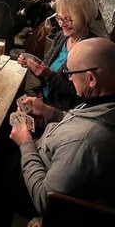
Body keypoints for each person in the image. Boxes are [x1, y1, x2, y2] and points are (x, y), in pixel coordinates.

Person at [10, 37, 115, 221]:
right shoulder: (103, 101)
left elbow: (45, 201)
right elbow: (79, 121)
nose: (68, 77)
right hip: (48, 150)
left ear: (91, 78)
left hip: (36, 189)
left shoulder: (85, 142)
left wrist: (25, 144)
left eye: (70, 72)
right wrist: (49, 111)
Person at [17, 0, 98, 111]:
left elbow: (79, 93)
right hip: (43, 96)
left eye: (67, 19)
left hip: (62, 109)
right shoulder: (61, 36)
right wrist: (32, 65)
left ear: (84, 18)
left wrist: (48, 75)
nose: (61, 24)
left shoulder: (90, 48)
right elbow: (45, 70)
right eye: (59, 18)